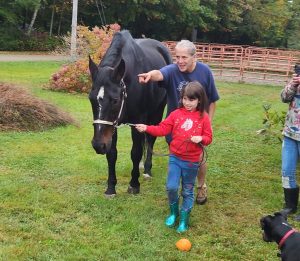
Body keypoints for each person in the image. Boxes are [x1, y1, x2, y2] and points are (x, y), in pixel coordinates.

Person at [138, 40, 219, 205]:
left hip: (197, 127)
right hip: (176, 128)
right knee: (176, 158)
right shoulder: (173, 70)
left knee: (199, 158)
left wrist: (207, 124)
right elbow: (159, 73)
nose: (180, 61)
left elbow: (212, 101)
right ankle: (175, 189)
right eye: (177, 57)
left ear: (194, 57)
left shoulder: (205, 72)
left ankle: (201, 186)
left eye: (184, 57)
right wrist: (149, 75)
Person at [135, 82, 213, 233]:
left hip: (191, 161)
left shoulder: (204, 118)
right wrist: (147, 128)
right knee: (171, 187)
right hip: (175, 158)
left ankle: (184, 219)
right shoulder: (176, 114)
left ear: (199, 100)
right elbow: (162, 128)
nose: (187, 103)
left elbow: (209, 137)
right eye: (185, 99)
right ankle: (174, 213)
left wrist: (201, 138)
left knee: (187, 191)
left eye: (191, 100)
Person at [280, 72, 300, 221]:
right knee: (287, 171)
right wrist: (293, 84)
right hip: (290, 134)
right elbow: (284, 97)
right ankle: (290, 206)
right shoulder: (296, 82)